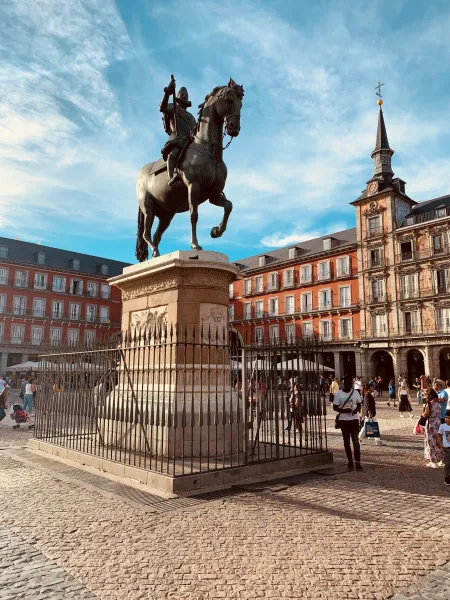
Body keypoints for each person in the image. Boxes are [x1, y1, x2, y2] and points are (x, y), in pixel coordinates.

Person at [159, 77, 197, 186]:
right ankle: (171, 177)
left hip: (189, 141)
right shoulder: (173, 107)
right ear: (177, 96)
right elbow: (162, 107)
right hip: (176, 137)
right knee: (173, 153)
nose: (185, 96)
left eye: (186, 95)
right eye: (182, 94)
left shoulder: (191, 117)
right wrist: (168, 93)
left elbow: (195, 130)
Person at [333, 373, 363, 470]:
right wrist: (344, 410)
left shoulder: (356, 393)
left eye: (351, 383)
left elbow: (359, 404)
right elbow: (335, 407)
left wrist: (356, 410)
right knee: (346, 442)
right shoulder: (338, 394)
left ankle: (358, 463)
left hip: (354, 419)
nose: (350, 385)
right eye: (348, 383)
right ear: (344, 383)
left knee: (356, 442)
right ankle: (350, 461)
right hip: (344, 421)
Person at [423, 388, 444, 468]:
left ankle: (433, 462)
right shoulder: (438, 403)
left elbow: (426, 414)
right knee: (438, 441)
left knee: (431, 442)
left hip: (431, 423)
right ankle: (442, 460)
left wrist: (423, 414)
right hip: (438, 422)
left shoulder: (429, 404)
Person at [359, 381, 384, 445]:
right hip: (370, 414)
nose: (373, 388)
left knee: (367, 427)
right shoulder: (367, 395)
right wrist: (369, 413)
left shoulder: (369, 394)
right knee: (371, 426)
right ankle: (377, 441)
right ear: (369, 388)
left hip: (371, 414)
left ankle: (359, 439)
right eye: (372, 387)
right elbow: (367, 405)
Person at [437, 410, 450, 486]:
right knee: (447, 464)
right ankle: (447, 477)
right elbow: (439, 435)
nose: (447, 419)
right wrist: (441, 444)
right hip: (446, 448)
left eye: (449, 418)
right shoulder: (443, 426)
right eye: (446, 417)